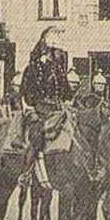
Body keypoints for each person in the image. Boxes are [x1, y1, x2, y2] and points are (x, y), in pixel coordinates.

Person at [20, 26, 72, 189]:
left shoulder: (58, 70)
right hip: (39, 109)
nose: (60, 55)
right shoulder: (34, 68)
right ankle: (26, 173)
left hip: (57, 110)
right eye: (57, 51)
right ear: (49, 50)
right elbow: (28, 94)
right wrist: (37, 109)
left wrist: (68, 101)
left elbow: (66, 91)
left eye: (60, 52)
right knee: (37, 134)